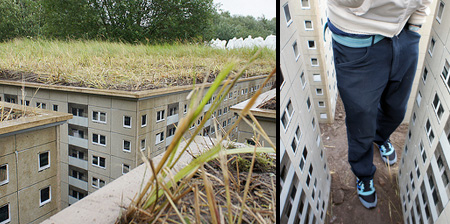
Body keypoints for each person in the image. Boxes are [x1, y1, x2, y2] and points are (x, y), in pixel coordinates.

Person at [327, 0, 432, 209]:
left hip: (404, 33)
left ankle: (380, 136)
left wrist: (415, 24)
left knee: (396, 109)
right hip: (358, 37)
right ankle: (363, 172)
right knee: (361, 119)